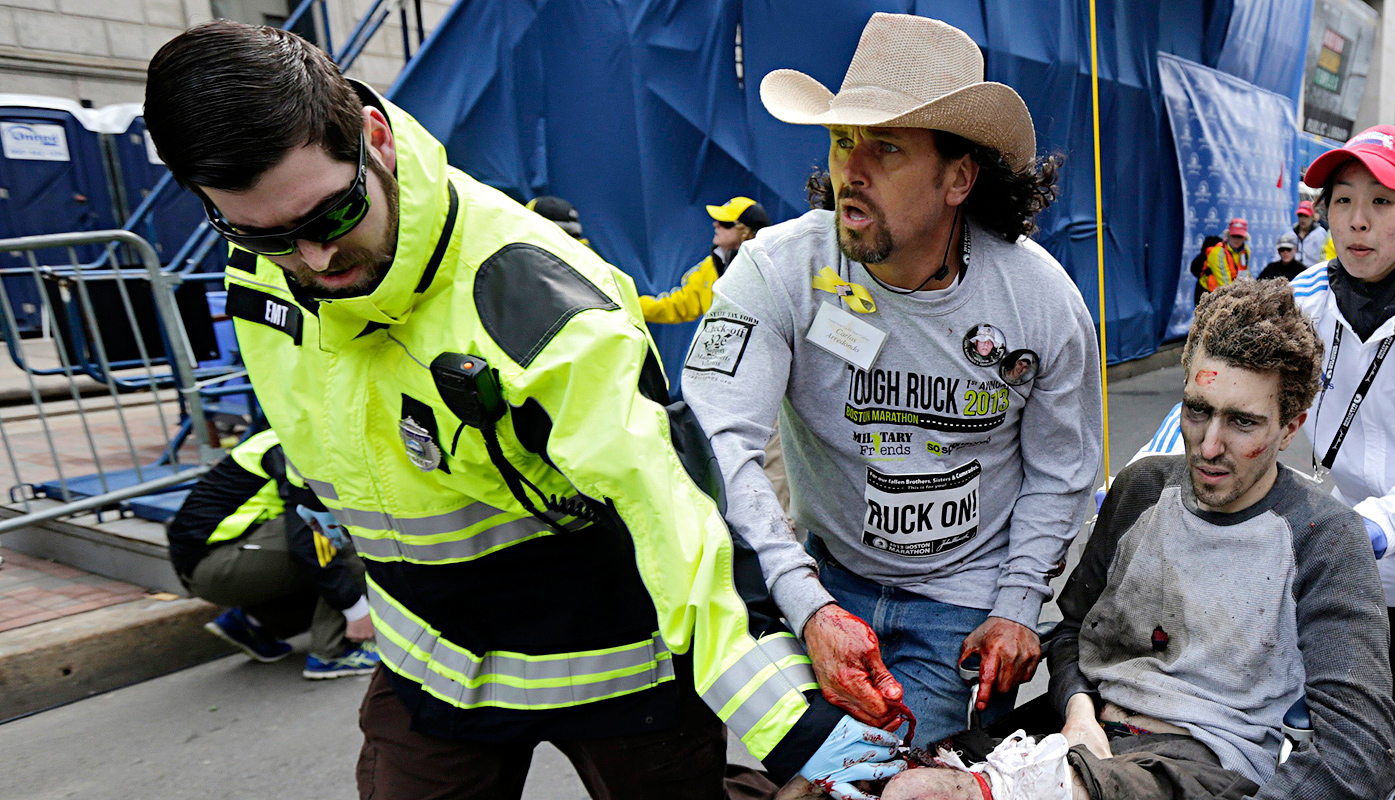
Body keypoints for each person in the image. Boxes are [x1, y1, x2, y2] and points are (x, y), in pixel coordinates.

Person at [145, 21, 886, 800]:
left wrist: (812, 740)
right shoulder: (262, 268)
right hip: (431, 659)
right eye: (263, 236)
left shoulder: (535, 298)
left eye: (330, 217)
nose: (313, 261)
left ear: (375, 139)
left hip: (611, 662)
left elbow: (677, 523)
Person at [780, 280, 1395, 800]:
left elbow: (1356, 748)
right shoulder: (1141, 491)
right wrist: (1077, 708)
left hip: (1200, 767)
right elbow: (1074, 629)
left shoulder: (1323, 536)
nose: (1208, 447)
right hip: (1077, 732)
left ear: (1291, 426)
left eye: (1242, 423)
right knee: (839, 784)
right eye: (1196, 410)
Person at [684, 12, 1103, 749]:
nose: (852, 168)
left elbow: (1063, 470)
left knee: (910, 784)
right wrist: (807, 605)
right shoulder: (778, 272)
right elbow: (717, 443)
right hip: (822, 576)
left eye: (886, 148)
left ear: (959, 177)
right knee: (809, 776)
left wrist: (1013, 606)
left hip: (965, 603)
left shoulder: (1041, 302)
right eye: (844, 140)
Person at [1137, 125, 1395, 800]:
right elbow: (1220, 384)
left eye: (1383, 202)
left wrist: (1386, 522)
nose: (1357, 220)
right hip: (1376, 543)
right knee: (1387, 695)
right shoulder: (1306, 300)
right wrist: (1144, 476)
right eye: (1341, 198)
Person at [168, 428, 378, 680]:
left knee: (323, 553)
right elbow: (309, 542)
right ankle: (332, 654)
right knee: (342, 533)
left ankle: (256, 625)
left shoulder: (294, 432)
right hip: (216, 565)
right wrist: (356, 610)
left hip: (213, 563)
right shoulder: (299, 450)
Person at [640, 196, 771, 325]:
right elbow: (677, 305)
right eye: (717, 220)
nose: (716, 224)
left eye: (725, 223)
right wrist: (629, 306)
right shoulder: (710, 266)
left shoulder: (766, 268)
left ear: (746, 231)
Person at [1197, 219, 1249, 296]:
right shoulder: (1218, 253)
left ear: (1245, 237)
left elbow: (1245, 274)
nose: (1236, 239)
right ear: (1228, 235)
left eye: (1240, 236)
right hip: (1209, 294)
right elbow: (1224, 283)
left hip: (1231, 291)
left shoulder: (1246, 251)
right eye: (1234, 235)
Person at [1288, 200, 1328, 267]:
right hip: (1294, 272)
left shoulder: (1320, 233)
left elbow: (1324, 256)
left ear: (1312, 217)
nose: (1302, 219)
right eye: (1300, 215)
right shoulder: (1291, 233)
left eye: (1306, 216)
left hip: (1313, 271)